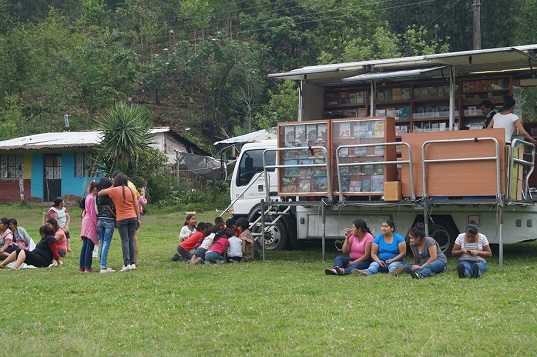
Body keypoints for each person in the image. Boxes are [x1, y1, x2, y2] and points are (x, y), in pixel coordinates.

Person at [98, 172, 140, 272]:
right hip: (133, 217)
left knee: (125, 240)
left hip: (122, 218)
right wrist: (138, 218)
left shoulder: (114, 190)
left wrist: (112, 186)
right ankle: (133, 263)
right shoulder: (130, 189)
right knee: (131, 240)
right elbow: (136, 205)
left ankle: (126, 264)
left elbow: (100, 193)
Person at [96, 177, 116, 273]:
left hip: (100, 220)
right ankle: (103, 266)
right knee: (106, 243)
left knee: (102, 242)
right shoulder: (110, 195)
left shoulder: (98, 196)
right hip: (109, 221)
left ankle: (102, 264)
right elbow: (113, 208)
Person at [79, 181, 99, 273]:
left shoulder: (87, 197)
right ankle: (87, 266)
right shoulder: (92, 199)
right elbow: (93, 213)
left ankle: (82, 266)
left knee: (85, 244)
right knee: (89, 245)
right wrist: (96, 225)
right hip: (90, 222)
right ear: (95, 189)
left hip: (86, 221)